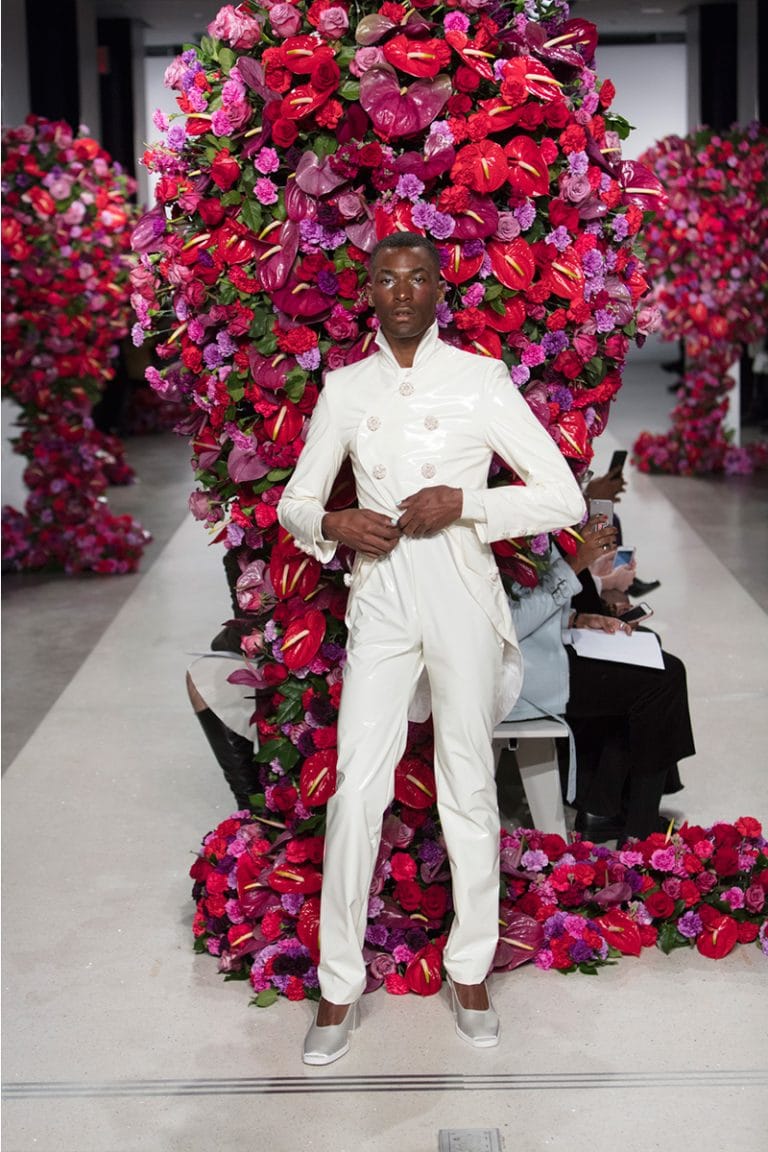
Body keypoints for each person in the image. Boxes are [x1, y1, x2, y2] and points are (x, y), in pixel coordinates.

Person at [277, 232, 585, 1064]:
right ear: (370, 293)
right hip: (380, 597)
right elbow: (296, 502)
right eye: (388, 278)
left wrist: (468, 504)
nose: (403, 290)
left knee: (469, 782)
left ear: (440, 290)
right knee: (355, 788)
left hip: (460, 595)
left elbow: (561, 496)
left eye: (418, 277)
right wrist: (333, 522)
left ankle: (471, 971)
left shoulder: (480, 380)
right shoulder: (345, 389)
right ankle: (339, 987)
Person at [504, 519, 695, 845]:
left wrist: (575, 619)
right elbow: (508, 623)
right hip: (521, 674)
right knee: (663, 678)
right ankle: (639, 831)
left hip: (542, 653)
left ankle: (604, 808)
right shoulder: (498, 537)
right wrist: (574, 564)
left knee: (645, 653)